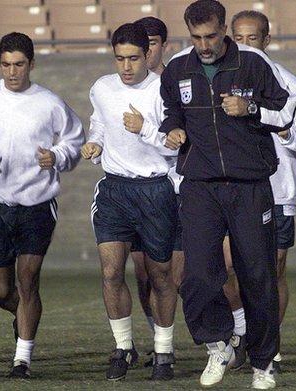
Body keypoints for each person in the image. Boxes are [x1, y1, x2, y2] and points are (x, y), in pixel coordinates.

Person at [160, 0, 296, 388]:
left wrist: (250, 107)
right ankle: (217, 344)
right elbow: (169, 111)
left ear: (223, 30)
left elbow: (286, 113)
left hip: (250, 186)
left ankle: (263, 362)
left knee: (258, 275)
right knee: (198, 275)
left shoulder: (253, 64)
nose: (204, 45)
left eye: (211, 36)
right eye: (196, 37)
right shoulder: (178, 68)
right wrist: (173, 129)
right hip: (200, 186)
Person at [0, 32, 84, 379]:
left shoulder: (49, 102)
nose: (12, 72)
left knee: (28, 280)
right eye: (6, 65)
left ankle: (22, 359)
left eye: (19, 65)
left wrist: (55, 156)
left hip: (36, 204)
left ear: (31, 64)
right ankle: (23, 316)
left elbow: (75, 138)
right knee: (3, 291)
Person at [222, 10, 296, 373]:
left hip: (278, 191)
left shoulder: (286, 81)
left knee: (272, 272)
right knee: (226, 267)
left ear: (267, 41)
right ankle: (242, 333)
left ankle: (270, 346)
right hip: (231, 191)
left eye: (253, 38)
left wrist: (288, 133)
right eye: (238, 38)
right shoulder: (219, 79)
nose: (246, 45)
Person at [81, 23, 178, 381]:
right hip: (114, 190)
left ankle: (164, 352)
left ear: (147, 55)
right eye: (120, 58)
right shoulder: (102, 88)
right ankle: (123, 347)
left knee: (161, 275)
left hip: (155, 189)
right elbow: (100, 125)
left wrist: (145, 129)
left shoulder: (164, 90)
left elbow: (177, 144)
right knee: (110, 272)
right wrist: (95, 146)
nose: (126, 66)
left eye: (133, 58)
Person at [129, 18, 184, 372]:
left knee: (173, 277)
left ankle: (227, 336)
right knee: (143, 275)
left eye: (152, 42)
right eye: (141, 43)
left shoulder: (175, 84)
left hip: (174, 191)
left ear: (163, 45)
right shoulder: (117, 87)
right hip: (133, 194)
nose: (147, 50)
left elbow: (179, 141)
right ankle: (157, 343)